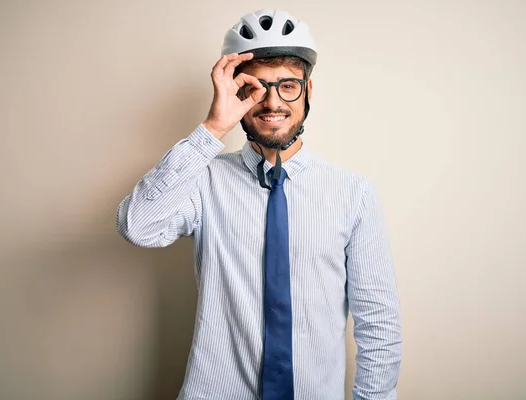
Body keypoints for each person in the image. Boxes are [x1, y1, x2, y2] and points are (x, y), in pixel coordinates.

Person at [116, 9, 402, 400]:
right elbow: (138, 227)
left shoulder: (353, 194)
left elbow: (379, 324)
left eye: (287, 86)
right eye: (254, 87)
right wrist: (213, 128)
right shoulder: (203, 179)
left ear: (308, 92)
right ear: (234, 92)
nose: (272, 102)